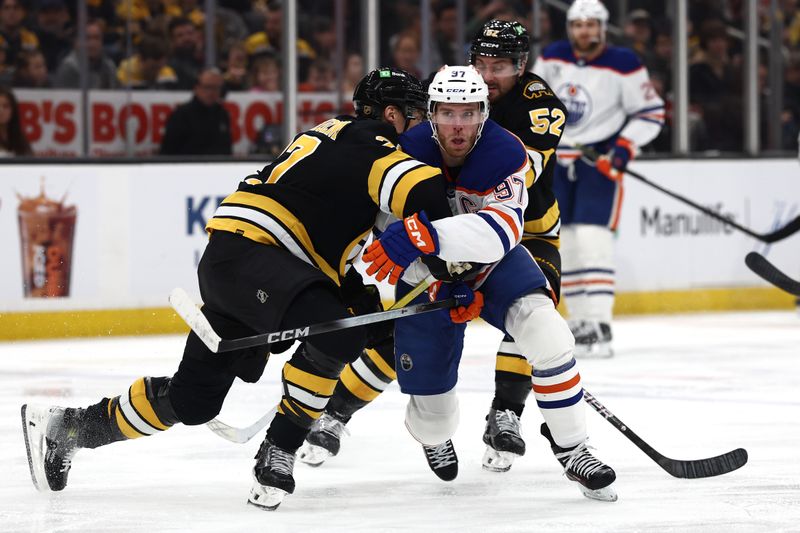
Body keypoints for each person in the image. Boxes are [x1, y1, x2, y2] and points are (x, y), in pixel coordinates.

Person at [20, 68, 463, 512]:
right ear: (390, 114)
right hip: (261, 260)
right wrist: (462, 256)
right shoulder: (375, 145)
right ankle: (281, 447)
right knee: (340, 332)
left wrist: (356, 294)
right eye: (418, 117)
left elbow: (316, 221)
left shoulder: (332, 135)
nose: (426, 128)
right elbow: (425, 192)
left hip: (236, 263)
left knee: (192, 401)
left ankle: (69, 428)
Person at [304, 65, 617, 502]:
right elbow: (391, 244)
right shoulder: (401, 152)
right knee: (433, 414)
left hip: (494, 264)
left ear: (484, 113)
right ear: (430, 113)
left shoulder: (507, 153)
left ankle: (574, 450)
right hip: (428, 278)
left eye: (468, 113)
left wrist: (427, 238)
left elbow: (503, 231)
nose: (458, 125)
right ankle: (433, 435)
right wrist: (437, 273)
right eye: (448, 112)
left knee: (549, 335)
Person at [534, 0, 664, 357]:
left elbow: (651, 113)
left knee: (593, 237)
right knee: (565, 241)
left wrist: (622, 149)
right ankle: (580, 322)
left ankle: (600, 321)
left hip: (598, 161)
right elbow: (532, 102)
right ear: (570, 28)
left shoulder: (623, 63)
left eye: (591, 25)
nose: (584, 31)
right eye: (578, 25)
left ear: (603, 28)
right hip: (557, 161)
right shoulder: (552, 57)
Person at [159, 67, 232, 156]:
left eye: (216, 88)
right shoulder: (181, 115)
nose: (211, 92)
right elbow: (168, 152)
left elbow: (227, 150)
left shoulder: (222, 115)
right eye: (207, 87)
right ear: (197, 88)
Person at [54, 19, 119, 89]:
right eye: (87, 38)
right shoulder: (68, 69)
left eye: (96, 38)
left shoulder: (109, 67)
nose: (92, 43)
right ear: (76, 42)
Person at [0, 85, 32, 156]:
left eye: (6, 106)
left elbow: (29, 162)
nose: (1, 111)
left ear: (13, 110)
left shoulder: (20, 138)